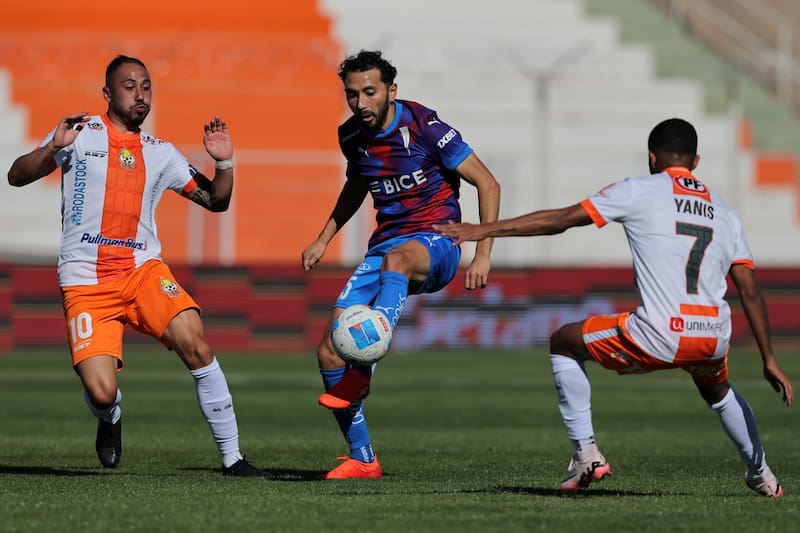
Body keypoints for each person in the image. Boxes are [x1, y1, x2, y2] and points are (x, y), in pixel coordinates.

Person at [434, 118, 794, 497]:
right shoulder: (725, 212)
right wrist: (769, 358)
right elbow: (750, 292)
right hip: (712, 334)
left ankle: (586, 453)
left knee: (563, 342)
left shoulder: (638, 189)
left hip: (661, 331)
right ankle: (763, 475)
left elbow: (560, 220)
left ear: (652, 158)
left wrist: (484, 230)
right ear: (696, 161)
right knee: (718, 390)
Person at [7, 55, 269, 477]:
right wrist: (52, 147)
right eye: (129, 86)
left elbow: (216, 201)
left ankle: (233, 458)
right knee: (102, 390)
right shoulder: (77, 134)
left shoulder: (160, 153)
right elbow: (16, 176)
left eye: (146, 86)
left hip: (142, 272)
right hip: (85, 281)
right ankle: (110, 417)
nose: (140, 93)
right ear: (107, 93)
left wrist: (223, 162)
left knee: (196, 343)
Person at [301, 50, 501, 479]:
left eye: (370, 92)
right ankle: (362, 458)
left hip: (439, 240)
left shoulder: (425, 127)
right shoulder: (352, 136)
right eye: (352, 95)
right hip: (385, 246)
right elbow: (357, 186)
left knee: (398, 257)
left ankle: (368, 364)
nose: (361, 104)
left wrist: (483, 252)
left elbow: (488, 182)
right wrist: (323, 238)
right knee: (330, 349)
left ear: (391, 90)